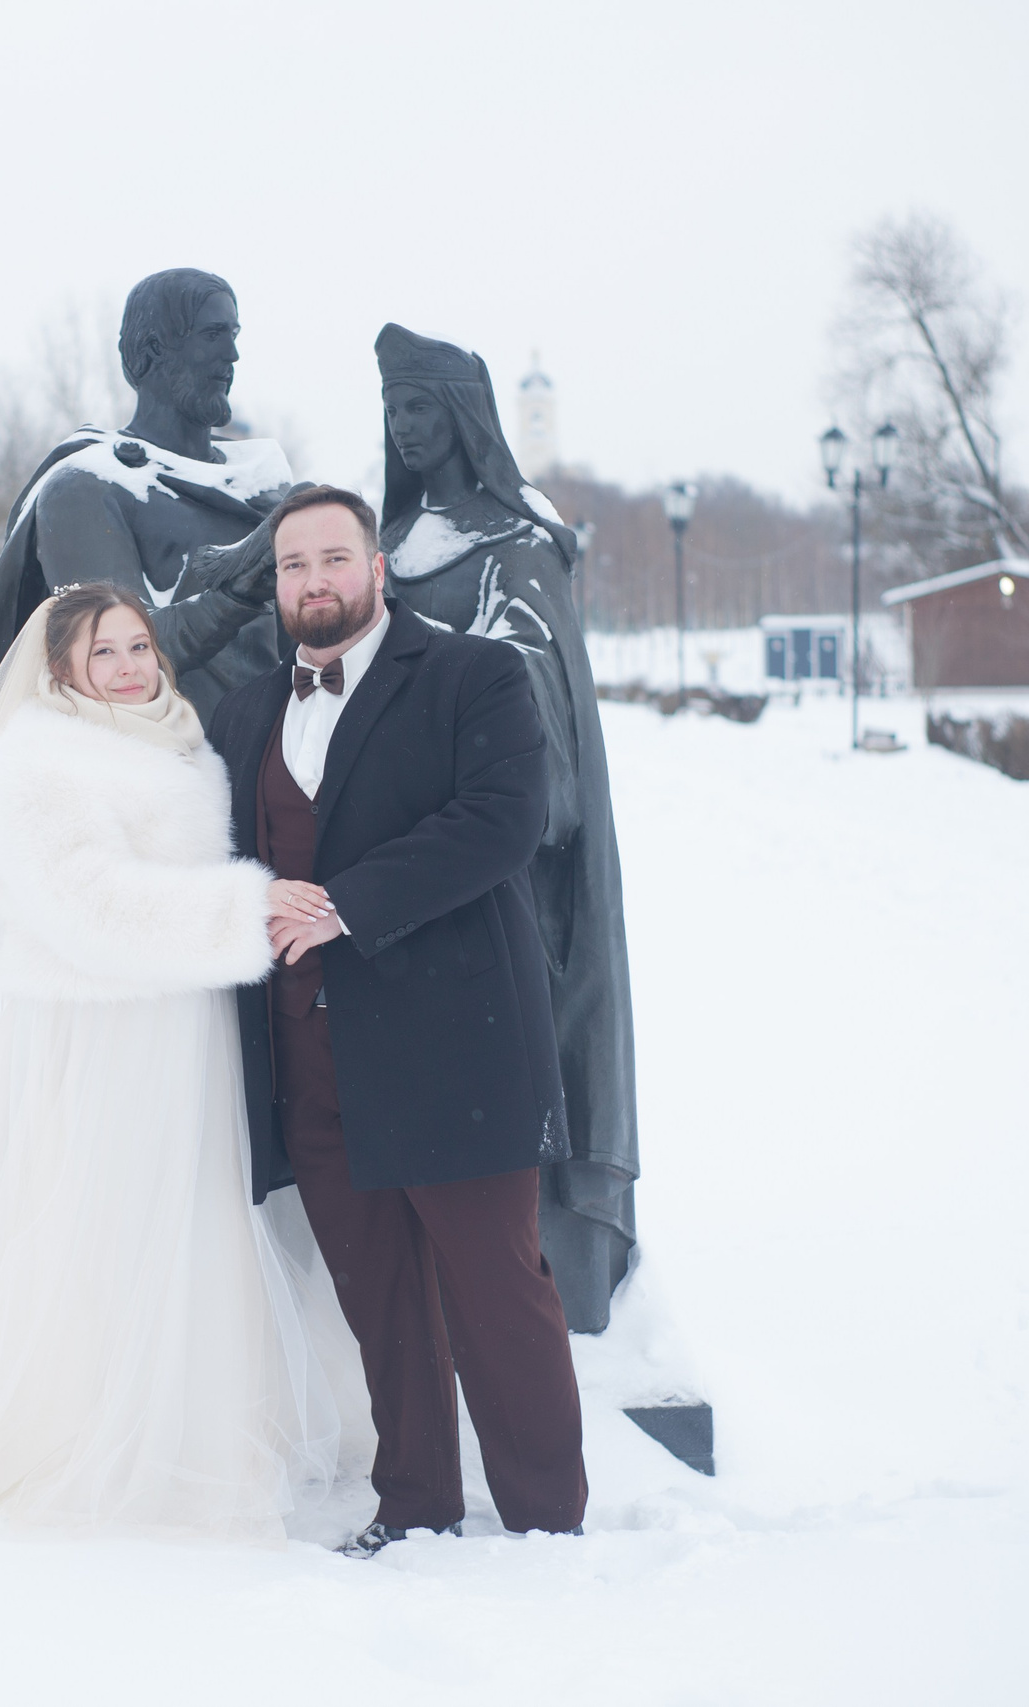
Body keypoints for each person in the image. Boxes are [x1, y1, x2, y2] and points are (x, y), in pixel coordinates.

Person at [0, 582, 355, 1541]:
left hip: (185, 1027)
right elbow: (86, 900)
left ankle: (194, 1415)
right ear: (60, 669)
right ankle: (86, 1428)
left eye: (139, 647)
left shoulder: (175, 735)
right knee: (103, 1220)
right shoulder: (36, 763)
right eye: (105, 654)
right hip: (104, 1032)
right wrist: (237, 911)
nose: (130, 668)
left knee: (191, 1214)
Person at [206, 483, 589, 1555]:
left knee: (497, 1297)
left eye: (334, 558)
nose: (314, 580)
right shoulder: (246, 713)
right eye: (293, 566)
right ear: (275, 583)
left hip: (457, 1049)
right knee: (380, 1304)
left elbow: (503, 824)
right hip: (310, 1059)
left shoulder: (475, 676)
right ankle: (414, 1505)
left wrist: (340, 906)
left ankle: (545, 1525)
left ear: (377, 569)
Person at [372, 323, 640, 1333]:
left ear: (464, 417)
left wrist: (411, 661)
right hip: (398, 873)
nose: (402, 429)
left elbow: (536, 707)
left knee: (515, 1077)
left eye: (420, 408)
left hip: (504, 873)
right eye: (391, 409)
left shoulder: (517, 549)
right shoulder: (386, 551)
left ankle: (531, 1282)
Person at [0, 269, 291, 761]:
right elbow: (120, 656)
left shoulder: (263, 485)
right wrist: (240, 590)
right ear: (152, 351)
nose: (232, 356)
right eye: (213, 335)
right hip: (160, 783)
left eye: (234, 335)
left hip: (276, 774)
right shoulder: (86, 488)